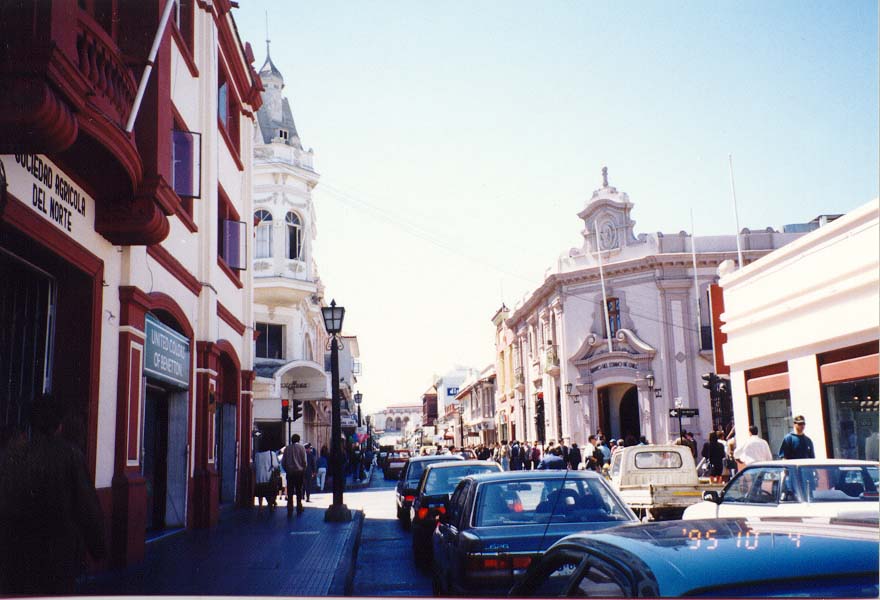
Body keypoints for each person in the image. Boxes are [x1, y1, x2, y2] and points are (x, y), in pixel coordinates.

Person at [0, 394, 107, 595]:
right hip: (57, 558)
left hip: (16, 556)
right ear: (59, 425)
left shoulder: (12, 456)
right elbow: (87, 507)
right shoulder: (71, 456)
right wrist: (98, 547)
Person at [282, 433, 307, 516]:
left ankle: (290, 507)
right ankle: (299, 506)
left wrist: (287, 470)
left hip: (290, 473)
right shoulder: (301, 448)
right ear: (299, 440)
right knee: (299, 490)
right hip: (299, 472)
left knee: (290, 491)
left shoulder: (287, 449)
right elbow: (304, 461)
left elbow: (283, 462)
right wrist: (303, 469)